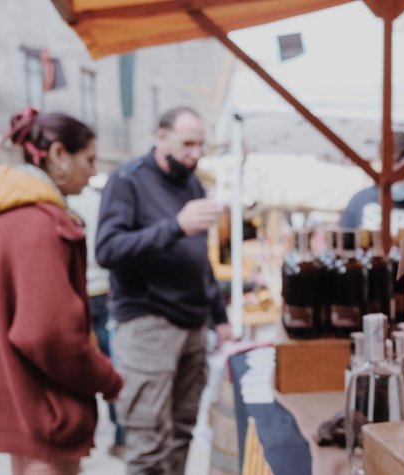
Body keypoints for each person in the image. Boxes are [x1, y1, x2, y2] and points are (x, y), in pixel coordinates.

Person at [96, 106, 233, 474]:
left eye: (201, 144)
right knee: (149, 442)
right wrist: (176, 225)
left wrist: (219, 316)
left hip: (192, 323)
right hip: (148, 323)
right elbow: (108, 249)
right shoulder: (127, 180)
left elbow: (199, 259)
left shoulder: (192, 183)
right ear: (161, 136)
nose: (196, 152)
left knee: (182, 431)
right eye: (187, 143)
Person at [0, 108, 123, 474]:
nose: (95, 171)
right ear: (57, 155)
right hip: (47, 410)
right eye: (89, 159)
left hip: (23, 406)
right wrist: (106, 378)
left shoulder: (10, 214)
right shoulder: (40, 224)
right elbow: (47, 333)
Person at [67, 174, 126, 458]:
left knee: (77, 363)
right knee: (109, 360)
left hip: (80, 290)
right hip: (100, 289)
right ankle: (120, 434)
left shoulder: (62, 201)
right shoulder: (97, 200)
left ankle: (80, 437)